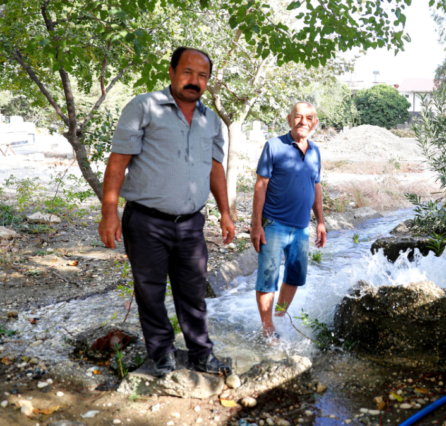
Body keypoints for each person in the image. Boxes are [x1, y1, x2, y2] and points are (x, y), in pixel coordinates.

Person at [98, 47, 235, 377]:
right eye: (187, 72)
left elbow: (216, 169)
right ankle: (161, 355)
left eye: (202, 76)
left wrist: (225, 213)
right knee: (150, 292)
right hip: (146, 221)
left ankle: (201, 353)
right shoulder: (143, 107)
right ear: (172, 71)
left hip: (191, 225)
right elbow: (118, 162)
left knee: (193, 292)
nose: (194, 81)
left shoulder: (211, 119)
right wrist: (109, 213)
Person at [250, 102, 326, 337]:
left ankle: (279, 318)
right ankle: (267, 327)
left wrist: (321, 221)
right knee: (268, 278)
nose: (304, 122)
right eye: (298, 117)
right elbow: (260, 185)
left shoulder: (314, 151)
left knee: (294, 277)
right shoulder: (274, 146)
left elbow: (316, 186)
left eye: (309, 118)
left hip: (302, 228)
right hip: (273, 224)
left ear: (315, 122)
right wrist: (256, 225)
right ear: (289, 118)